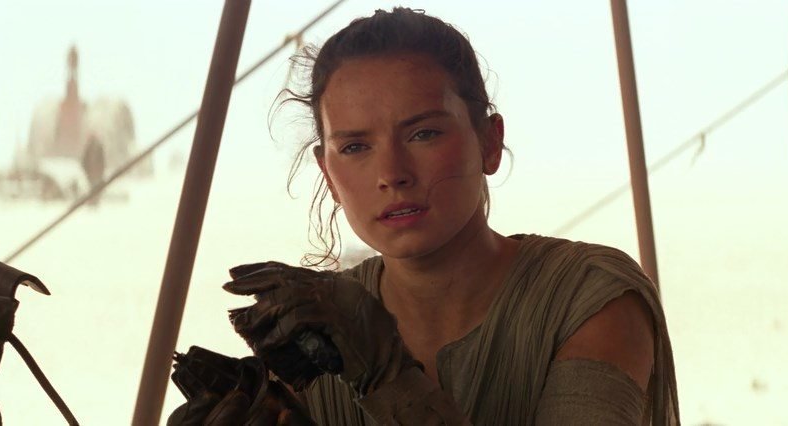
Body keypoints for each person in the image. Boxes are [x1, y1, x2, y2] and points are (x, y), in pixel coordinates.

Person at [169, 7, 678, 425]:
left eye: (424, 134)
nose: (392, 173)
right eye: (355, 147)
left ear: (489, 142)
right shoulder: (316, 327)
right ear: (328, 173)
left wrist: (385, 376)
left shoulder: (588, 297)